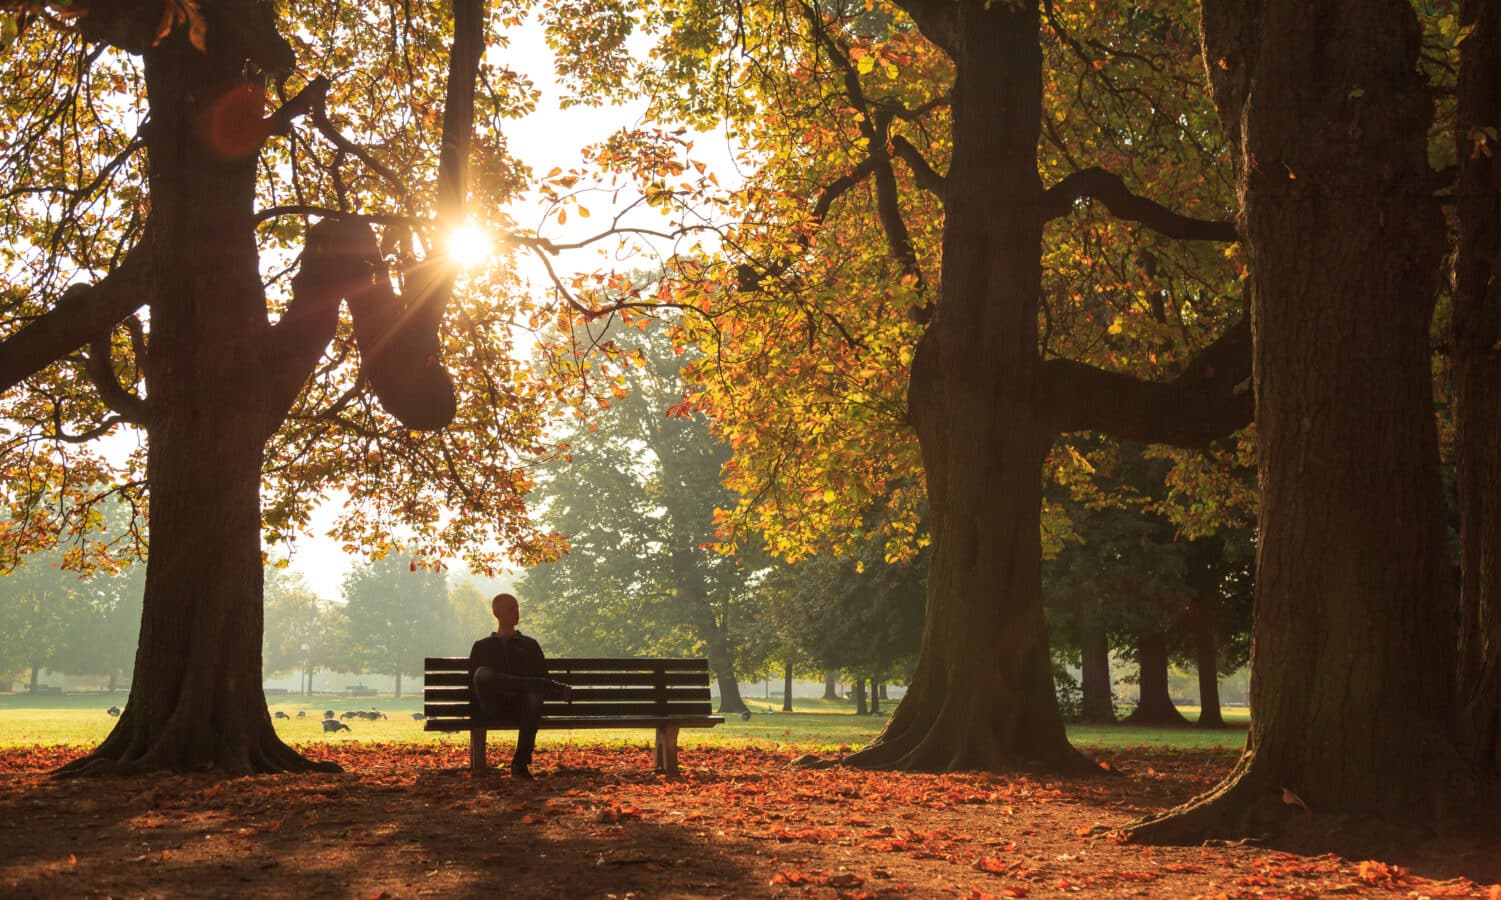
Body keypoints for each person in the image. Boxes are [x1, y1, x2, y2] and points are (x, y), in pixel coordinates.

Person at [468, 592, 565, 779]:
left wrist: (526, 686)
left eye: (517, 608)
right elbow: (474, 682)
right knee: (482, 673)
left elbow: (542, 681)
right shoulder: (482, 646)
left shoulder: (530, 645)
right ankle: (527, 684)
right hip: (492, 706)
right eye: (511, 608)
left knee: (535, 695)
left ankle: (520, 765)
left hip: (522, 708)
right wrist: (527, 683)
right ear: (497, 612)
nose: (516, 612)